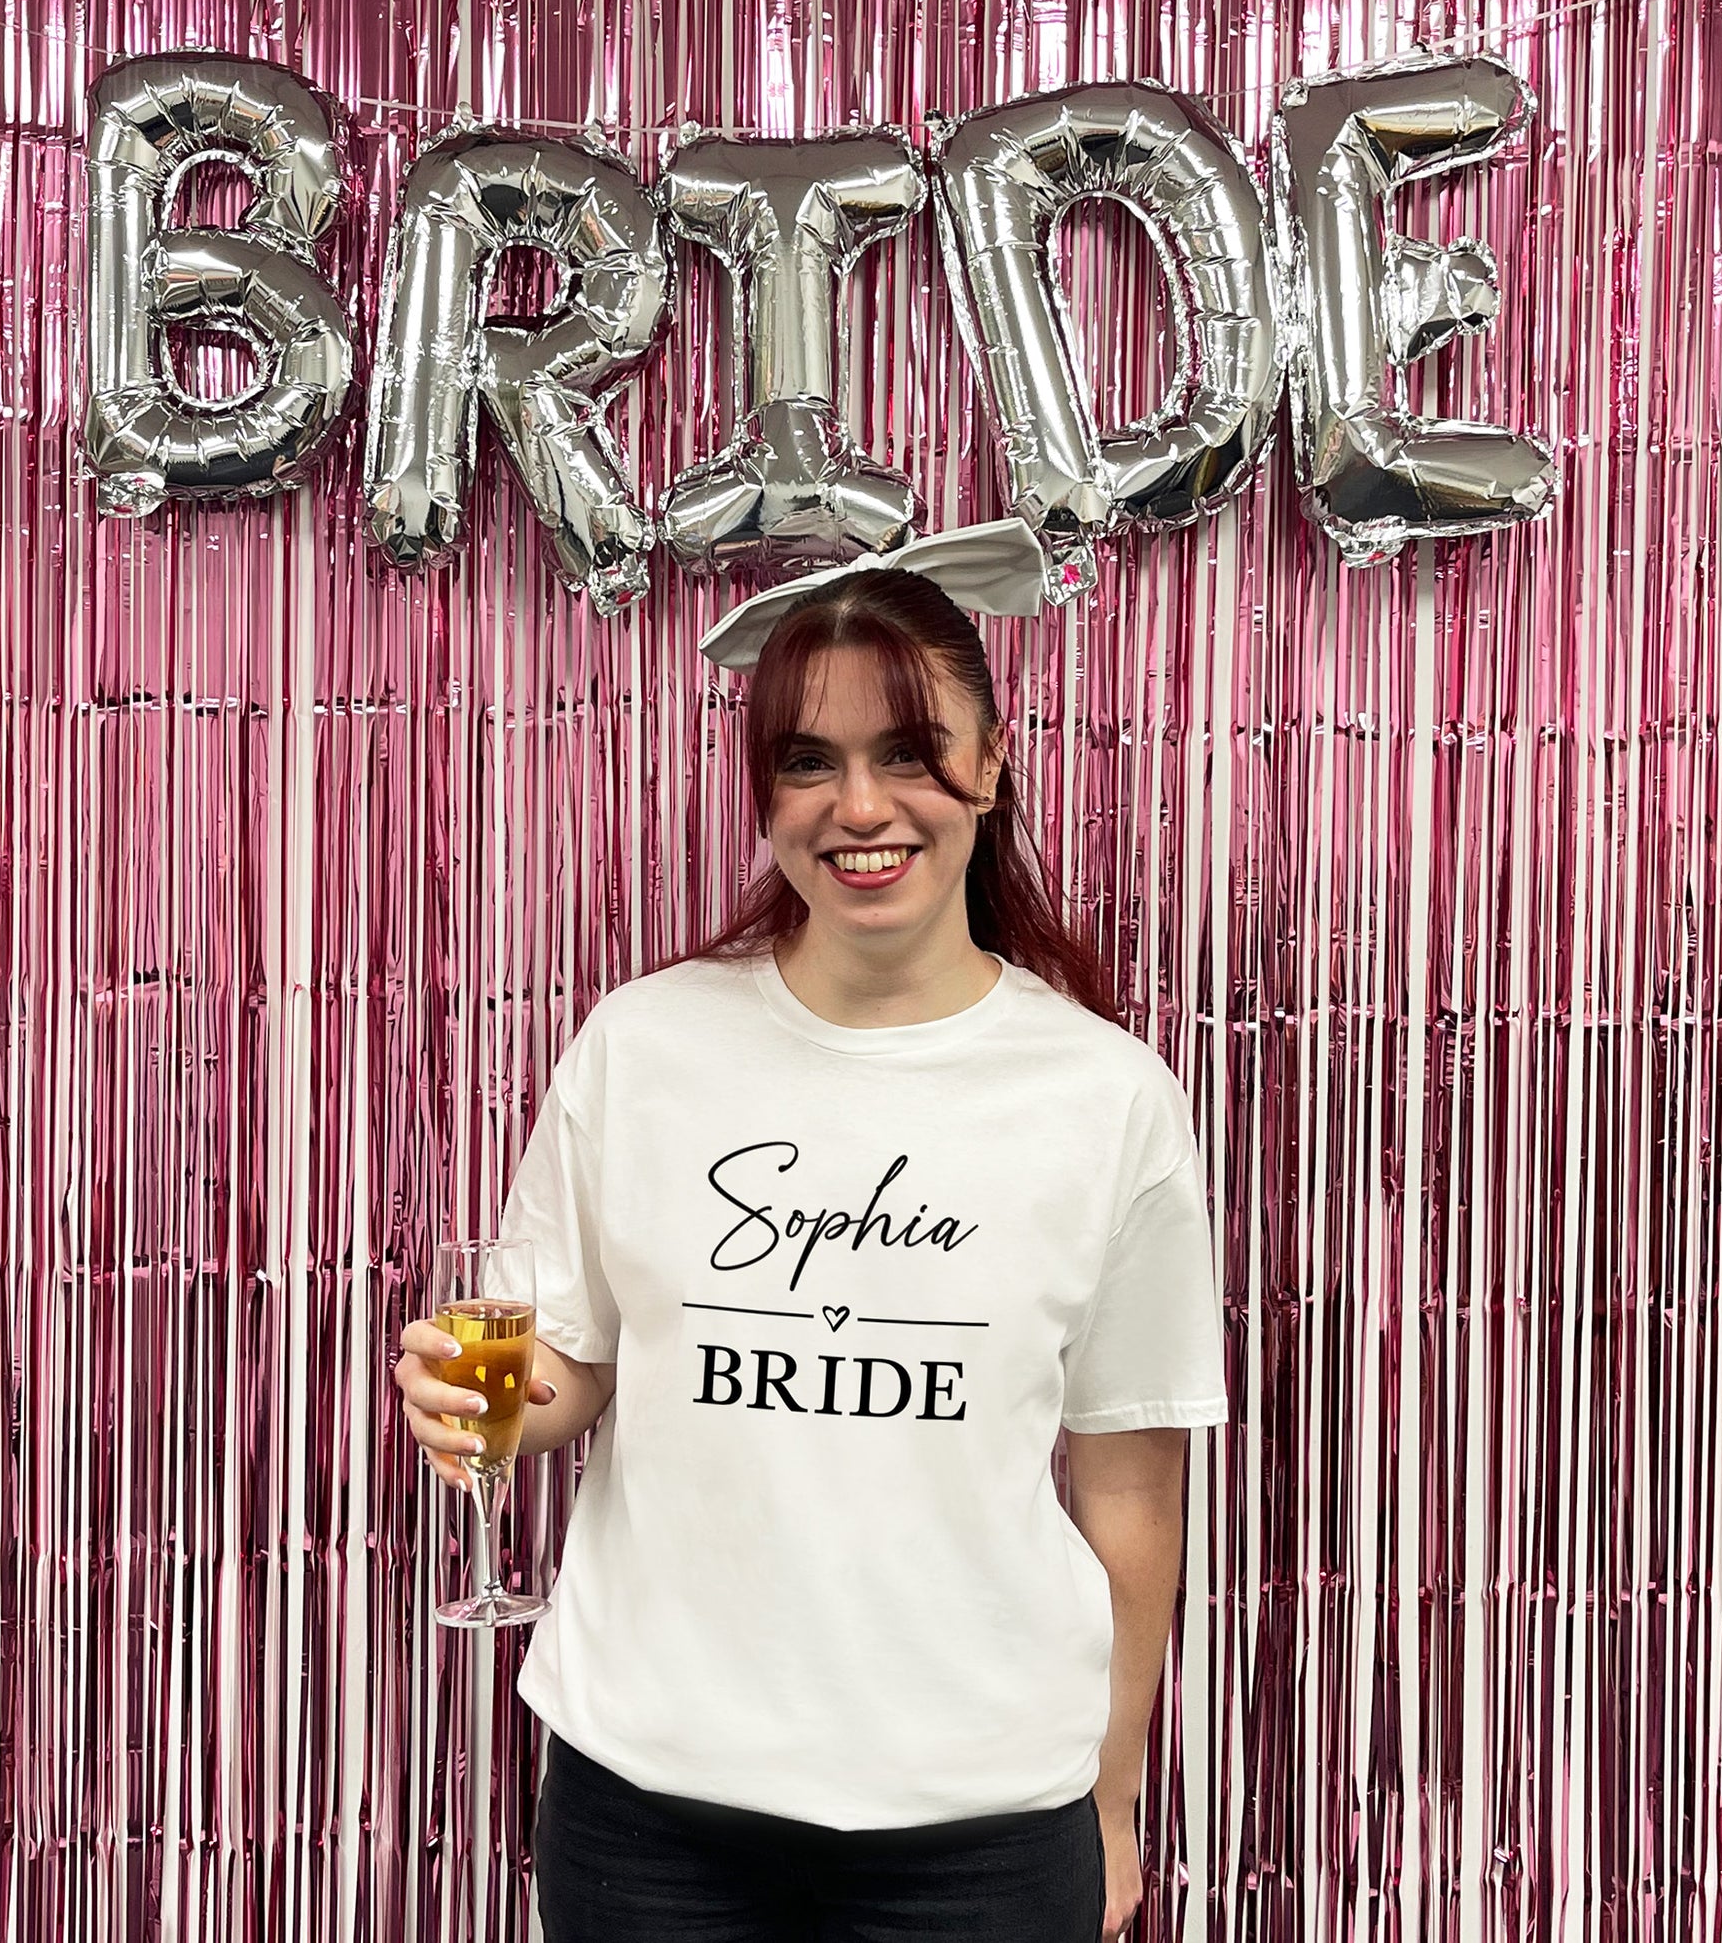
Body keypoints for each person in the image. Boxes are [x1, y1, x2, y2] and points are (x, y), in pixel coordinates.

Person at [393, 517, 1229, 1942]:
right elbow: (574, 1366)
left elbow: (1131, 1490)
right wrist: (507, 1408)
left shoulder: (1104, 1096)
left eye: (907, 751)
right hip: (651, 1802)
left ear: (991, 761)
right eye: (808, 761)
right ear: (764, 793)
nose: (860, 804)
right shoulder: (642, 1046)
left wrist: (1110, 1794)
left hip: (980, 1821)